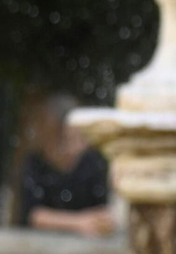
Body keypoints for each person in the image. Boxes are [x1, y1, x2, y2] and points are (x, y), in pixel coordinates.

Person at [14, 94, 115, 238]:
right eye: (65, 140)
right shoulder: (36, 164)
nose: (73, 148)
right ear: (49, 137)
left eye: (78, 138)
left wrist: (102, 222)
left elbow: (102, 211)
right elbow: (34, 216)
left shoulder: (92, 163)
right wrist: (78, 222)